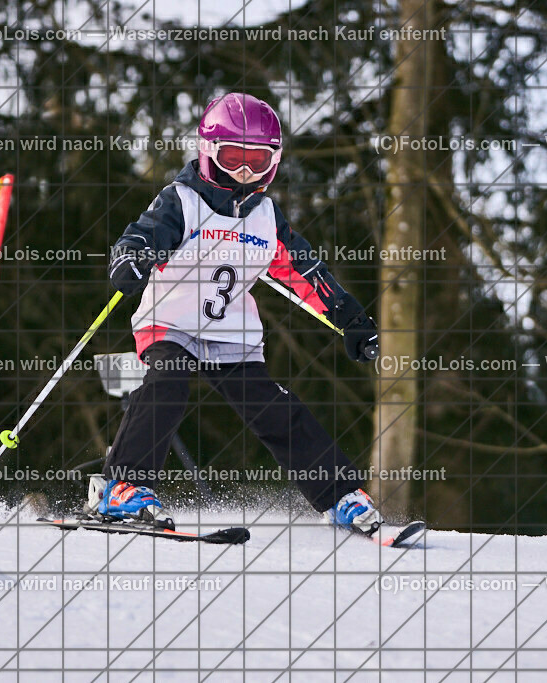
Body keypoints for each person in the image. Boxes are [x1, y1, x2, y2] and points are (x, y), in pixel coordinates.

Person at [86, 93, 383, 535]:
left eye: (256, 160)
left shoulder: (266, 217)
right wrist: (131, 258)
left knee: (275, 409)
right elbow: (142, 236)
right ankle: (123, 486)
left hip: (232, 332)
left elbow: (307, 272)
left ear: (273, 161)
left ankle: (341, 495)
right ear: (209, 153)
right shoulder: (182, 200)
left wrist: (351, 318)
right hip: (171, 322)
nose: (245, 170)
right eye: (233, 157)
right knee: (166, 383)